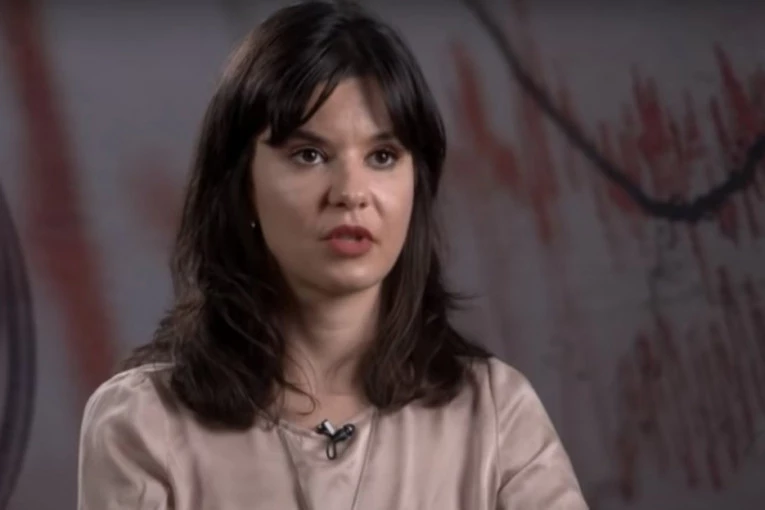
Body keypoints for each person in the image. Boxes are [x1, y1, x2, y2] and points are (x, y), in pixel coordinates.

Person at [77, 1, 588, 508]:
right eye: (310, 155)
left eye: (382, 156)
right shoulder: (143, 425)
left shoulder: (495, 414)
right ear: (242, 185)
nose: (350, 193)